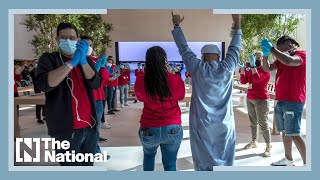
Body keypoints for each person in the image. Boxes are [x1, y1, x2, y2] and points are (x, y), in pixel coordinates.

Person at [171, 12, 242, 170]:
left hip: (201, 123)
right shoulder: (228, 67)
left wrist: (176, 26)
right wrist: (237, 24)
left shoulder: (196, 67)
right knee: (225, 156)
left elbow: (183, 48)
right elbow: (235, 47)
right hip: (225, 123)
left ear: (202, 57)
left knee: (202, 157)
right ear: (219, 56)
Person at [35, 23, 101, 166]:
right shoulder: (49, 59)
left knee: (88, 167)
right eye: (64, 38)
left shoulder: (86, 59)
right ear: (57, 39)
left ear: (78, 40)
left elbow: (95, 83)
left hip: (90, 127)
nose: (68, 41)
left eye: (72, 38)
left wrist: (83, 62)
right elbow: (44, 84)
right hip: (65, 131)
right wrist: (71, 63)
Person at [134, 46, 185, 171]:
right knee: (170, 164)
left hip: (149, 127)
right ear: (165, 60)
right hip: (172, 126)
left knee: (149, 157)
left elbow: (140, 98)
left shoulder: (141, 80)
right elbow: (181, 96)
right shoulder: (174, 79)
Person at [260, 35, 306, 166]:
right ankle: (288, 159)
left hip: (293, 100)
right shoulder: (281, 58)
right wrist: (265, 55)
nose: (279, 53)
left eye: (282, 50)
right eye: (278, 50)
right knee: (285, 132)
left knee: (294, 133)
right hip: (280, 100)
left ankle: (308, 164)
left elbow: (290, 61)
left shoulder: (302, 55)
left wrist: (273, 49)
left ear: (290, 45)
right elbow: (267, 68)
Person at [239, 51, 272, 157]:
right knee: (253, 122)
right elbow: (243, 81)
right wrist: (243, 69)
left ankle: (268, 146)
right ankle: (254, 142)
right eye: (255, 58)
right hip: (250, 98)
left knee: (263, 123)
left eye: (259, 58)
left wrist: (253, 67)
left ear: (263, 59)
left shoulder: (266, 69)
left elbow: (257, 79)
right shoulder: (253, 69)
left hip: (261, 100)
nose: (257, 60)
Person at [80, 35, 110, 143]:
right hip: (88, 97)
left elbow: (104, 77)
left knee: (96, 122)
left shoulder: (95, 60)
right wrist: (97, 67)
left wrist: (103, 67)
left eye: (90, 45)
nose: (89, 47)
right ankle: (92, 144)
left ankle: (95, 141)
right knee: (89, 123)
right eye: (86, 44)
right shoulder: (80, 60)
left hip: (98, 95)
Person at [30, 60, 45, 124]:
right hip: (37, 89)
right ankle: (39, 118)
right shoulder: (33, 71)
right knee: (38, 103)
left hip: (44, 88)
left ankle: (44, 115)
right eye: (35, 63)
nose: (37, 64)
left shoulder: (43, 69)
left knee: (44, 102)